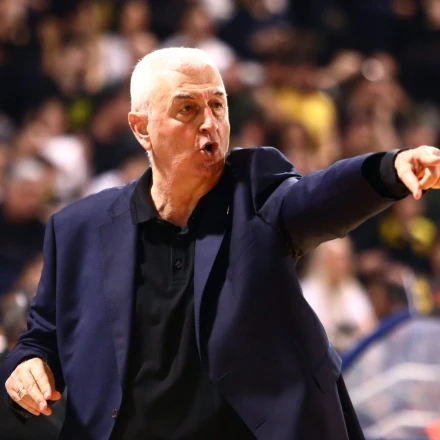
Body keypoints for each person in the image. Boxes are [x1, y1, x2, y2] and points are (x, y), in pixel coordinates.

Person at [2, 47, 440, 440]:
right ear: (141, 128)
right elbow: (43, 337)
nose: (209, 123)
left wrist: (388, 170)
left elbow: (317, 196)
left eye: (217, 105)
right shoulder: (78, 228)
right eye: (188, 109)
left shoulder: (256, 188)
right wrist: (27, 365)